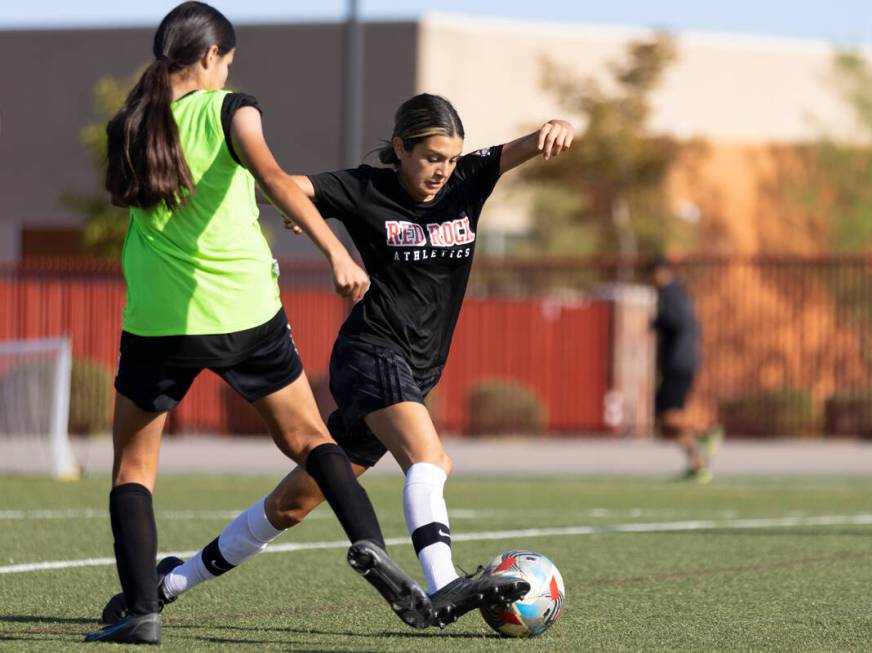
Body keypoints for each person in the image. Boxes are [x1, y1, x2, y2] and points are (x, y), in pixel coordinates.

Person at [100, 93, 574, 629]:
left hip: (417, 371)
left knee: (292, 505)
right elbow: (279, 184)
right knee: (431, 459)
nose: (442, 170)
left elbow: (527, 144)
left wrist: (555, 126)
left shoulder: (470, 178)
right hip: (371, 353)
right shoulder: (364, 188)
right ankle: (443, 584)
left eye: (450, 158)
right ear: (400, 148)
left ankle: (168, 584)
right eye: (431, 158)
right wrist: (292, 209)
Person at [84, 2, 431, 644]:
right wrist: (334, 250)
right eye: (228, 62)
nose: (227, 72)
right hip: (247, 312)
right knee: (311, 441)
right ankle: (370, 545)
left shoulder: (129, 123)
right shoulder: (232, 108)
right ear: (212, 56)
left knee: (133, 470)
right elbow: (272, 176)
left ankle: (141, 612)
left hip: (158, 321)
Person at [646, 256, 723, 483]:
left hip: (678, 363)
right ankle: (698, 466)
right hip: (683, 361)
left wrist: (657, 322)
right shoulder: (679, 293)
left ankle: (706, 433)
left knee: (668, 415)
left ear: (659, 272)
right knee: (667, 416)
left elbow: (675, 322)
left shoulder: (671, 293)